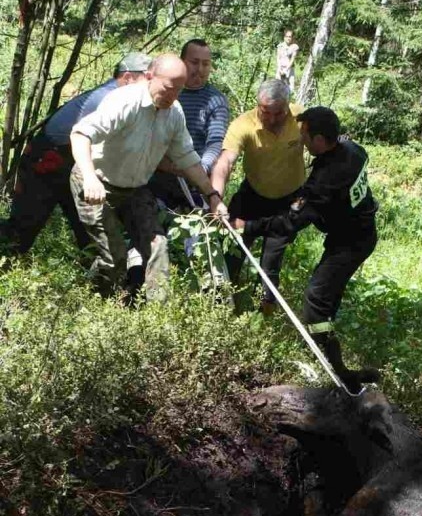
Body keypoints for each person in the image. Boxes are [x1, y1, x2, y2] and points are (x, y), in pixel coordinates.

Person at [232, 106, 378, 391]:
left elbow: (289, 224)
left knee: (315, 302)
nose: (301, 142)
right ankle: (336, 358)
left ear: (321, 140)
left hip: (350, 244)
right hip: (358, 234)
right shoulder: (353, 149)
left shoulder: (326, 181)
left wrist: (246, 227)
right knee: (326, 299)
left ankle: (339, 372)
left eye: (305, 137)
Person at [69, 53, 228, 303]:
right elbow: (80, 134)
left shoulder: (174, 112)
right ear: (150, 76)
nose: (172, 97)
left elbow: (187, 157)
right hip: (97, 182)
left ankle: (157, 317)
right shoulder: (124, 102)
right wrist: (90, 178)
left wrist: (212, 196)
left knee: (158, 247)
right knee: (115, 257)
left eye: (178, 91)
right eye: (167, 89)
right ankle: (94, 305)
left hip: (134, 189)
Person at [2, 52, 152, 255]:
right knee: (21, 230)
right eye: (148, 78)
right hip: (47, 160)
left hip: (72, 162)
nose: (153, 85)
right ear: (128, 77)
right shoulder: (108, 98)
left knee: (90, 233)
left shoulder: (122, 97)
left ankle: (101, 282)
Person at [210, 78, 305, 313]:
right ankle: (220, 305)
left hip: (289, 200)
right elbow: (225, 162)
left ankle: (265, 311)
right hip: (253, 194)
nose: (272, 119)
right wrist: (215, 198)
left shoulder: (302, 118)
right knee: (233, 249)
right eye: (266, 112)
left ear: (288, 106)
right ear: (257, 106)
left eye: (278, 113)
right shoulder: (243, 125)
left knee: (271, 261)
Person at [149, 38, 229, 209]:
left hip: (195, 176)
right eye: (194, 62)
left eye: (206, 64)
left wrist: (202, 167)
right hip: (157, 171)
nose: (199, 69)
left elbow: (215, 142)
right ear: (182, 62)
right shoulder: (164, 92)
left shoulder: (215, 100)